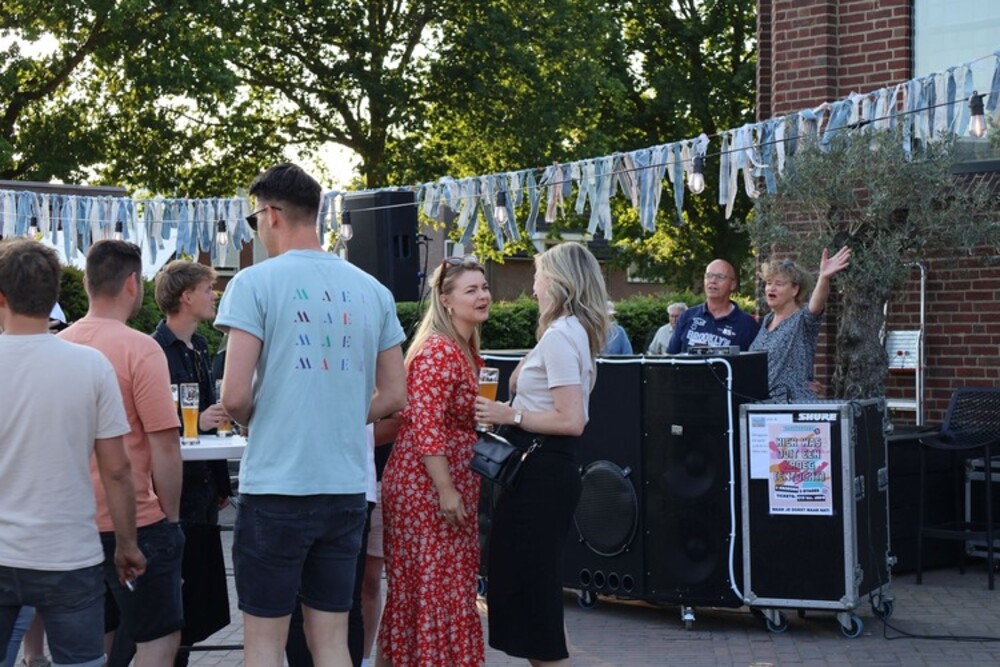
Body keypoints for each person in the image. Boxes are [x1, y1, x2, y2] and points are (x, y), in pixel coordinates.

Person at [215, 163, 406, 667]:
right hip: (344, 487)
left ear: (272, 214)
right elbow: (394, 395)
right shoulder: (373, 290)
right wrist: (339, 413)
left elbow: (233, 397)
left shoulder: (253, 283)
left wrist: (260, 418)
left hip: (276, 485)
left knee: (264, 642)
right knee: (332, 641)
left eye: (255, 219)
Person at [0, 238, 145, 667]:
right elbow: (117, 471)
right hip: (69, 553)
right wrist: (127, 545)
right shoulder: (91, 366)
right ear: (55, 295)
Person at [474, 241, 610, 665]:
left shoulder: (561, 336)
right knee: (537, 592)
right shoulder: (571, 333)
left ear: (558, 283)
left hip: (540, 474)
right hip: (543, 472)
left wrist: (510, 414)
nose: (533, 288)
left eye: (538, 278)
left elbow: (572, 420)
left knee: (533, 593)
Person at [60, 240, 185, 667]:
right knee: (158, 638)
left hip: (74, 519)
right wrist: (171, 519)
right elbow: (164, 444)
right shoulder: (141, 348)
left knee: (92, 641)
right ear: (133, 283)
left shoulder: (62, 343)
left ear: (86, 282)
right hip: (135, 517)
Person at [377, 257, 492, 667]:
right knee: (430, 592)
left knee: (440, 591)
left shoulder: (463, 348)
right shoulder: (439, 351)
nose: (483, 296)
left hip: (447, 483)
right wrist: (446, 490)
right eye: (471, 290)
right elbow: (425, 424)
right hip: (425, 489)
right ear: (445, 300)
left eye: (484, 287)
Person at [151, 260, 233, 665]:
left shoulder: (199, 345)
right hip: (173, 492)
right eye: (206, 289)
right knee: (173, 595)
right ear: (186, 297)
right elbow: (155, 420)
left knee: (198, 595)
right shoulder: (154, 350)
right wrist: (198, 422)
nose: (213, 295)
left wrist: (222, 484)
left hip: (202, 488)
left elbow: (209, 414)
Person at [749, 247, 852, 401]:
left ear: (795, 289)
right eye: (769, 283)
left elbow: (815, 307)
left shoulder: (802, 319)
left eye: (779, 283)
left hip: (793, 405)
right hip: (763, 406)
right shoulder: (767, 320)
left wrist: (824, 277)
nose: (771, 288)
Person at [667, 259, 759, 353]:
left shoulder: (747, 325)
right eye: (709, 276)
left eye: (720, 277)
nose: (713, 281)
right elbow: (670, 357)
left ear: (733, 284)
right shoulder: (687, 316)